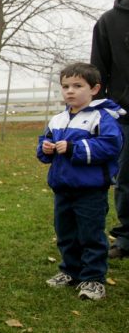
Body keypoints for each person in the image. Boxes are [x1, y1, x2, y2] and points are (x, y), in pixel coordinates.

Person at [36, 63, 124, 300]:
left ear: (94, 89)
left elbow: (110, 146)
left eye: (77, 86)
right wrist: (45, 148)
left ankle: (93, 279)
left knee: (90, 234)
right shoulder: (58, 119)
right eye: (65, 86)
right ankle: (70, 271)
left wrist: (75, 147)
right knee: (65, 233)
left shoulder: (101, 117)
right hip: (62, 188)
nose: (70, 91)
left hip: (90, 191)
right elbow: (44, 143)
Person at [90, 0, 129, 259]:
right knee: (126, 179)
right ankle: (126, 238)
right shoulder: (109, 22)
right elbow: (98, 72)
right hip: (126, 116)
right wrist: (100, 112)